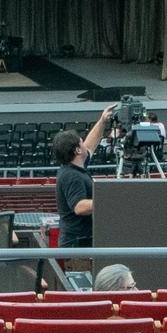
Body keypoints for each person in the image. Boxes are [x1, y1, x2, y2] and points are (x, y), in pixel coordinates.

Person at [52, 106, 115, 267]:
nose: (84, 143)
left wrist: (102, 121)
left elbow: (90, 144)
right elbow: (79, 207)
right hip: (77, 248)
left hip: (81, 244)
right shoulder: (72, 176)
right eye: (81, 142)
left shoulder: (74, 166)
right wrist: (112, 200)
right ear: (77, 150)